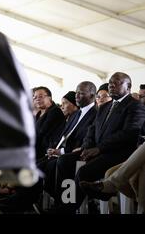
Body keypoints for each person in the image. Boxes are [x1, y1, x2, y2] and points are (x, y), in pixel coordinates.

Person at [52, 72, 145, 213]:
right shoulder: (104, 107)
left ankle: (68, 209)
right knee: (64, 161)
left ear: (128, 86)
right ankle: (65, 202)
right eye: (110, 83)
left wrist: (99, 149)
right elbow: (91, 130)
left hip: (118, 153)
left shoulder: (135, 106)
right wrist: (86, 148)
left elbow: (128, 134)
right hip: (96, 150)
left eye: (117, 83)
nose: (111, 85)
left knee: (84, 171)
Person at [33, 86, 66, 159]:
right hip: (37, 148)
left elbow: (42, 132)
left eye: (40, 96)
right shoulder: (38, 114)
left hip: (49, 151)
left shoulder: (55, 111)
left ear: (50, 98)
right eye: (35, 97)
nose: (37, 99)